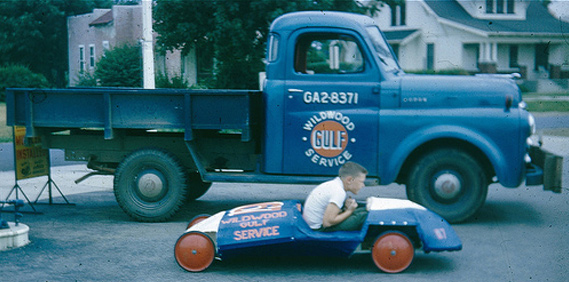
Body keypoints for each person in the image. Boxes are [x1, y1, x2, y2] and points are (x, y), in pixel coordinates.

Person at [303, 161, 368, 232]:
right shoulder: (338, 192)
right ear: (349, 180)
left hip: (313, 224)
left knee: (363, 210)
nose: (363, 185)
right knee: (364, 216)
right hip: (319, 229)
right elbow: (327, 223)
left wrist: (346, 210)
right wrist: (349, 211)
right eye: (361, 182)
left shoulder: (335, 185)